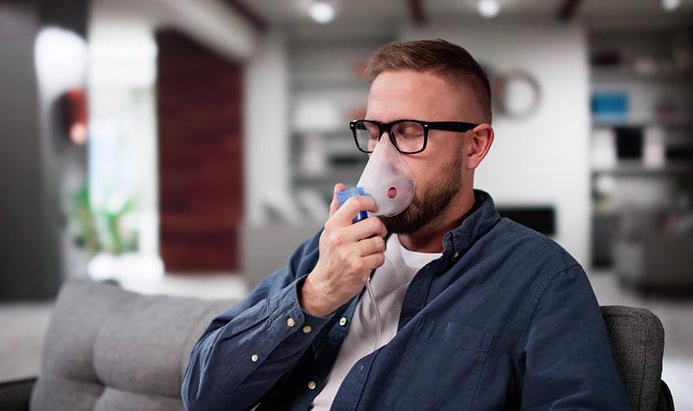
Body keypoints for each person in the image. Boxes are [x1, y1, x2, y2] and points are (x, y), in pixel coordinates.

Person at [181, 39, 629, 410]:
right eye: (375, 133)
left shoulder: (541, 278)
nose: (382, 158)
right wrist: (314, 296)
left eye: (409, 132)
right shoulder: (327, 251)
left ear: (475, 146)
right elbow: (203, 394)